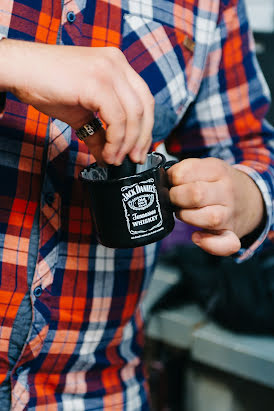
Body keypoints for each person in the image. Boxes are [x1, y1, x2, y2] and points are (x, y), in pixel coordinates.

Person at [0, 0, 273, 409]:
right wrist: (10, 61)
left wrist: (243, 196)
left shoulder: (211, 6)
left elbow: (252, 150)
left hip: (97, 393)